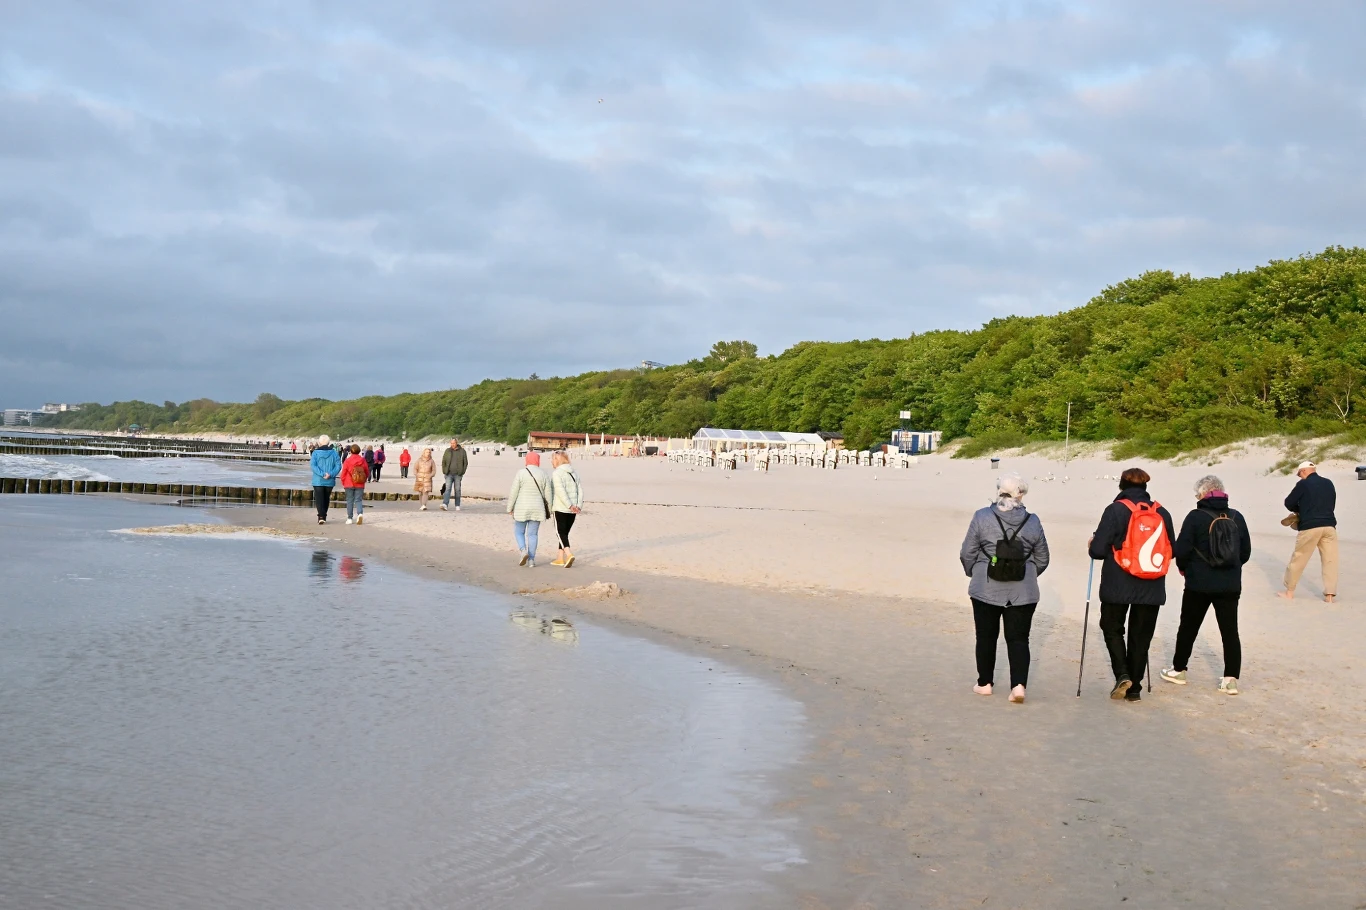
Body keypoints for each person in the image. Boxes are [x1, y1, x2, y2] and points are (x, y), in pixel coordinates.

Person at [958, 473, 1050, 704]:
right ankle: (1018, 686)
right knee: (1019, 639)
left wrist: (975, 572)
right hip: (1024, 591)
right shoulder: (1033, 521)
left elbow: (967, 552)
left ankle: (984, 683)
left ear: (999, 491)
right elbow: (1043, 558)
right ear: (1021, 495)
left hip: (985, 587)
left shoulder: (982, 516)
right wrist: (1027, 574)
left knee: (986, 637)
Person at [1088, 467, 1176, 701]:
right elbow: (1172, 550)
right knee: (1141, 637)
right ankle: (1134, 689)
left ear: (1121, 485)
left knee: (1112, 627)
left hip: (1117, 583)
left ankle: (1123, 674)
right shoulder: (1162, 512)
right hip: (1152, 584)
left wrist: (1094, 543)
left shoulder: (1115, 510)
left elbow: (1097, 551)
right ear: (1145, 487)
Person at [1160, 475, 1251, 695]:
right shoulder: (1237, 516)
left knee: (1188, 626)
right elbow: (1245, 553)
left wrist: (1185, 568)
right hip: (1230, 584)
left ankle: (1179, 669)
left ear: (1203, 493)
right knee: (1230, 631)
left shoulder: (1195, 516)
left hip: (1198, 583)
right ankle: (1230, 680)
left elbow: (1181, 550)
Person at [1279, 461, 1338, 603]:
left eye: (1299, 474)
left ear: (1304, 471)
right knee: (1330, 561)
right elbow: (1331, 503)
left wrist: (1299, 510)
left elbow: (1288, 502)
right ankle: (1330, 595)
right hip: (1329, 526)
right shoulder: (1328, 483)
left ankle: (1289, 592)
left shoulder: (1303, 484)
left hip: (1310, 526)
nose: (1300, 477)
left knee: (1299, 558)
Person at [507, 451, 551, 567]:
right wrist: (550, 510)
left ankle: (523, 550)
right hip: (537, 509)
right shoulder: (543, 474)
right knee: (533, 535)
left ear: (526, 460)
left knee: (518, 531)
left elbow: (514, 492)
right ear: (538, 461)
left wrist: (510, 507)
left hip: (522, 507)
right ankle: (531, 560)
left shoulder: (521, 473)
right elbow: (548, 495)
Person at [549, 451, 584, 568]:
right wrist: (578, 505)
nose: (551, 462)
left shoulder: (557, 473)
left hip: (561, 507)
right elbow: (580, 490)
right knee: (565, 533)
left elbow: (560, 491)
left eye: (553, 459)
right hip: (573, 509)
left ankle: (569, 554)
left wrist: (569, 505)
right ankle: (560, 557)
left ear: (557, 461)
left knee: (560, 533)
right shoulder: (574, 472)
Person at [309, 434, 342, 525]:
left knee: (319, 498)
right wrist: (330, 474)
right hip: (329, 480)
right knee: (326, 498)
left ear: (319, 443)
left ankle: (321, 516)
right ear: (328, 443)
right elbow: (338, 466)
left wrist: (323, 474)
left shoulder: (315, 453)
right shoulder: (334, 453)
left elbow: (313, 466)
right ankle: (323, 515)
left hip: (318, 480)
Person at [340, 444, 368, 525]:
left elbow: (343, 473)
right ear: (359, 451)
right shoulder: (363, 460)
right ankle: (360, 513)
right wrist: (364, 479)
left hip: (348, 483)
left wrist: (343, 482)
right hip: (360, 483)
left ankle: (349, 518)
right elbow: (366, 471)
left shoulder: (347, 461)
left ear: (350, 451)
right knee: (358, 500)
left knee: (350, 501)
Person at [441, 438, 469, 511]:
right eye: (451, 443)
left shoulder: (462, 451)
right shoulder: (447, 451)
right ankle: (445, 504)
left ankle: (457, 505)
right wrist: (444, 471)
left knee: (457, 490)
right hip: (448, 474)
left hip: (458, 474)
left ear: (457, 443)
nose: (452, 444)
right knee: (447, 489)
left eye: (453, 443)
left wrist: (462, 472)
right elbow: (443, 461)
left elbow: (465, 463)